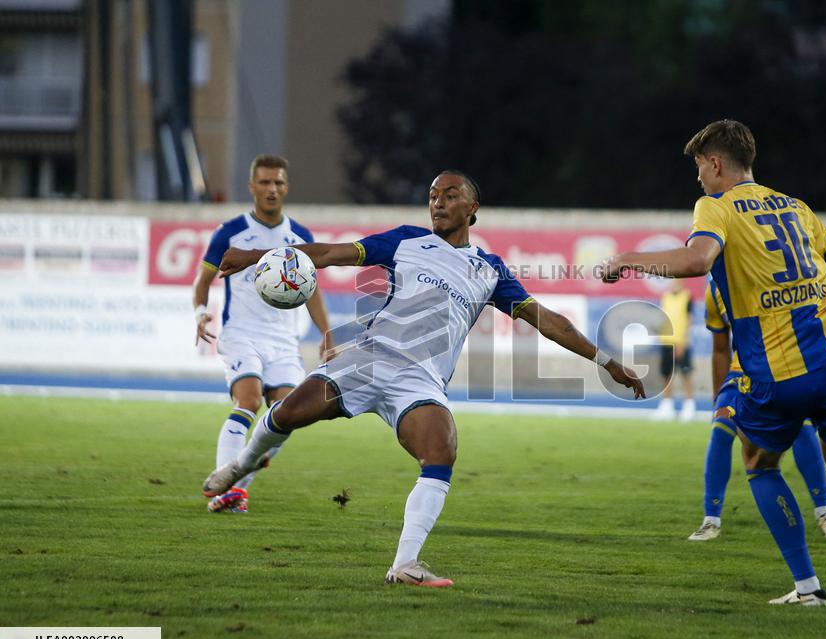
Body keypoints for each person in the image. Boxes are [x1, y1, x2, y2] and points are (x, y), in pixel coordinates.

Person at [202, 170, 646, 587]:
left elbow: (547, 320)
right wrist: (256, 257)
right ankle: (239, 467)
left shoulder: (489, 270)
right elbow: (332, 254)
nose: (438, 203)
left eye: (450, 196)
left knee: (442, 449)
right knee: (288, 414)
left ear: (473, 208)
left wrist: (606, 361)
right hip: (370, 359)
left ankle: (405, 565)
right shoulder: (407, 241)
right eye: (433, 196)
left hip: (420, 380)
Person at [601, 120, 826, 605]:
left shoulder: (715, 206)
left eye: (700, 167)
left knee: (760, 464)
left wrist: (628, 258)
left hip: (777, 369)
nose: (698, 178)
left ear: (716, 163)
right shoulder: (797, 207)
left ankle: (808, 588)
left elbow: (698, 261)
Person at [193, 154, 333, 513]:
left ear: (287, 187)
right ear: (252, 186)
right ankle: (231, 493)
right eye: (265, 182)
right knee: (250, 401)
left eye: (278, 183)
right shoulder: (230, 233)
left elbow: (311, 289)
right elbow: (203, 280)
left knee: (288, 415)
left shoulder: (300, 236)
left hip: (284, 340)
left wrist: (327, 332)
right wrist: (199, 313)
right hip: (243, 333)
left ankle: (237, 482)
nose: (272, 189)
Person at [688, 278, 826, 542]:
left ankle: (825, 513)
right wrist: (718, 397)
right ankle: (710, 521)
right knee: (720, 428)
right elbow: (720, 348)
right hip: (738, 379)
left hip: (779, 374)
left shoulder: (766, 272)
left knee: (803, 428)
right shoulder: (715, 289)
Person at [654, 280, 696, 422]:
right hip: (666, 341)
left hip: (681, 343)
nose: (674, 283)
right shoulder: (665, 296)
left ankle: (689, 405)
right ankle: (667, 405)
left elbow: (689, 320)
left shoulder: (687, 297)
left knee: (685, 374)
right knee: (666, 375)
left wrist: (683, 341)